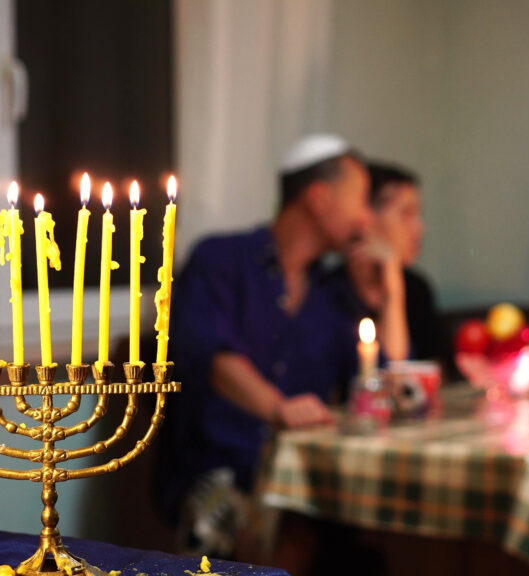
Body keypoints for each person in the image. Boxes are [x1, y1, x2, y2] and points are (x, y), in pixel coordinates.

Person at [156, 134, 381, 558]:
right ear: (318, 198)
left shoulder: (334, 296)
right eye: (362, 201)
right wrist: (279, 407)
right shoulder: (219, 261)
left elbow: (376, 385)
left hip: (306, 484)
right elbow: (210, 355)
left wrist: (383, 299)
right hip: (217, 475)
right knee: (259, 523)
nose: (368, 219)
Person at [341, 161, 439, 361]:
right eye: (406, 214)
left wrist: (392, 279)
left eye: (418, 215)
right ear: (367, 218)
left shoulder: (415, 288)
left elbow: (434, 371)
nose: (419, 228)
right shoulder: (329, 292)